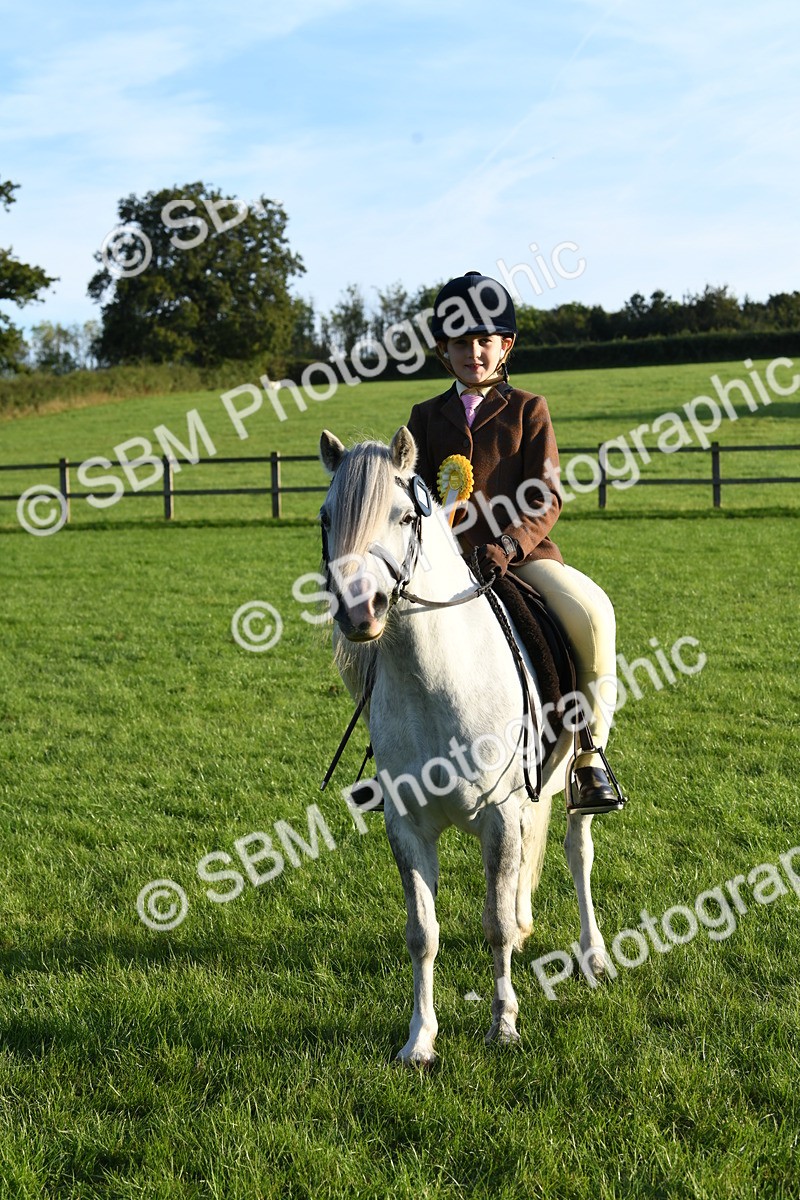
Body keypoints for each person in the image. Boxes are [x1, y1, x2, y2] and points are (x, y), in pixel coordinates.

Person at [406, 271, 623, 815]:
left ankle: (587, 758)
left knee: (593, 614)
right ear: (443, 349)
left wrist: (506, 545)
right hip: (450, 567)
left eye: (484, 341)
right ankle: (386, 757)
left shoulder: (530, 409)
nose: (473, 352)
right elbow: (415, 500)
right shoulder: (424, 418)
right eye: (461, 342)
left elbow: (546, 498)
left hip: (520, 561)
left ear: (505, 346)